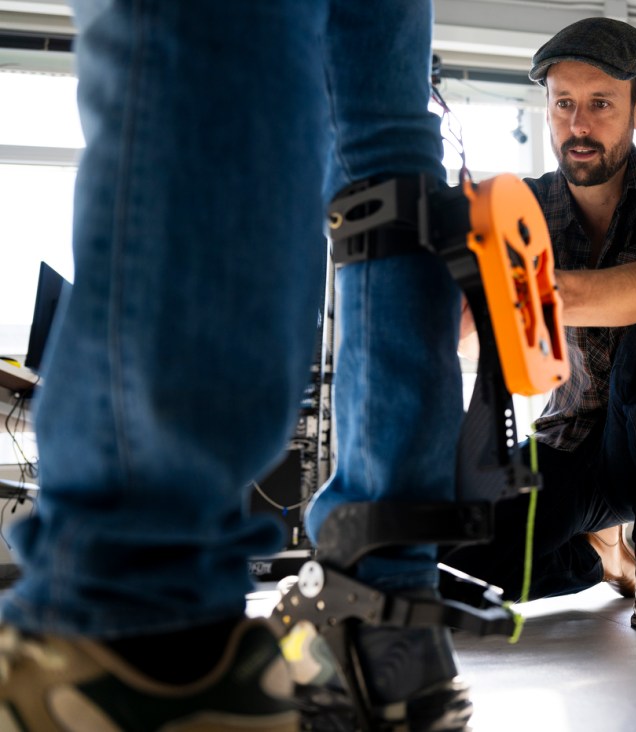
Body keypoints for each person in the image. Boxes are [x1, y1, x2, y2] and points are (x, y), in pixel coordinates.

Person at [0, 2, 475, 730]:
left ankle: (126, 626)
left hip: (126, 619)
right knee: (385, 143)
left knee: (211, 23)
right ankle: (386, 622)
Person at [444, 17, 636, 630]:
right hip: (568, 442)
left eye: (601, 104)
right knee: (455, 550)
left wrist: (528, 294)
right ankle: (599, 556)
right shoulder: (525, 204)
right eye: (564, 104)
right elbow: (464, 327)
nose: (579, 125)